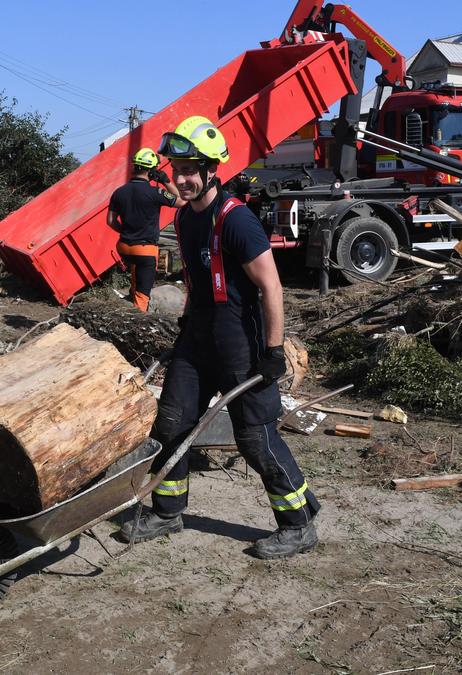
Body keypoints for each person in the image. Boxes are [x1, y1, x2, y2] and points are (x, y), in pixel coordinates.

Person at [119, 116, 319, 559]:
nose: (183, 179)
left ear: (213, 170)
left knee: (255, 437)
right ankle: (168, 512)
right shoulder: (185, 220)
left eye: (192, 170)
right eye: (177, 169)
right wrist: (188, 323)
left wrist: (271, 351)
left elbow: (271, 287)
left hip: (240, 343)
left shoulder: (236, 221)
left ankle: (298, 523)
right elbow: (196, 279)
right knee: (172, 423)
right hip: (199, 338)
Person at [107, 148, 179, 312]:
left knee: (135, 269)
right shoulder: (156, 192)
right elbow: (181, 201)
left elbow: (110, 221)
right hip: (145, 250)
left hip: (124, 246)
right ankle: (138, 317)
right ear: (152, 170)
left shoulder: (119, 192)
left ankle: (132, 293)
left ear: (134, 167)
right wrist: (166, 181)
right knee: (143, 295)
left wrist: (126, 231)